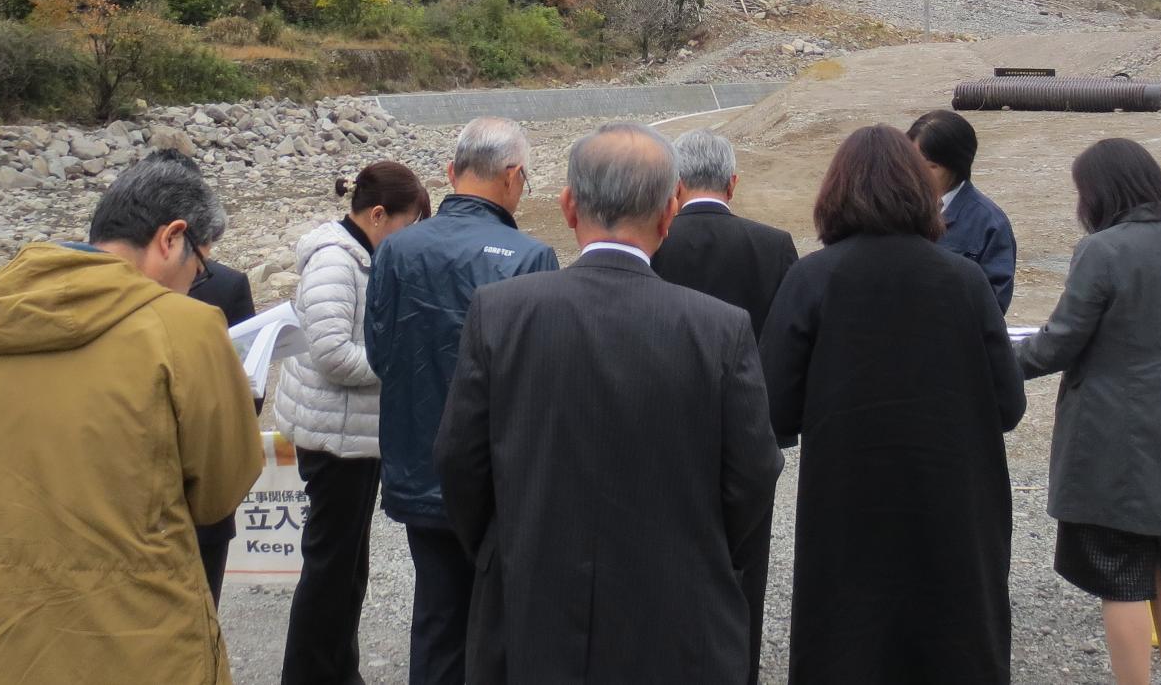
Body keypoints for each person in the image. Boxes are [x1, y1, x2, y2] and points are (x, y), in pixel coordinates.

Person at [0, 149, 262, 685]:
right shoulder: (187, 327)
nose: (196, 280)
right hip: (135, 644)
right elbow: (219, 492)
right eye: (199, 266)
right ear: (172, 237)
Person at [436, 123, 783, 685]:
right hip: (675, 613)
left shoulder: (500, 312)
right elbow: (753, 475)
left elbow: (459, 461)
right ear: (669, 212)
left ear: (569, 206)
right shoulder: (719, 328)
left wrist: (509, 545)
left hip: (533, 605)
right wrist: (704, 553)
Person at [761, 126, 1025, 685]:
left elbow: (775, 409)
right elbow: (1007, 405)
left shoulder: (812, 278)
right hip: (953, 507)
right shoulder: (966, 280)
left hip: (847, 508)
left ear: (835, 191)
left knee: (849, 648)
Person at [1015, 138, 1161, 685]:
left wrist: (996, 361)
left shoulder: (1102, 250)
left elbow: (1059, 343)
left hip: (1114, 431)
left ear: (1100, 191)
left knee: (1119, 576)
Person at [368, 117, 558, 685]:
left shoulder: (397, 250)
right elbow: (536, 384)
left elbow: (380, 354)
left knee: (436, 615)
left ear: (451, 173)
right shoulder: (529, 256)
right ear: (513, 176)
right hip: (496, 477)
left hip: (415, 465)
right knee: (499, 619)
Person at [275, 161, 433, 685]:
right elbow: (333, 355)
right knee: (330, 569)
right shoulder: (334, 262)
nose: (409, 238)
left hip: (351, 433)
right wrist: (400, 364)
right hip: (334, 438)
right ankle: (311, 674)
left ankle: (339, 670)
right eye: (408, 225)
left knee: (347, 568)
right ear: (379, 214)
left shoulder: (361, 255)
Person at [651, 127, 798, 685]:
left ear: (676, 185)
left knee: (665, 559)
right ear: (734, 182)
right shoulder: (774, 244)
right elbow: (786, 349)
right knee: (743, 571)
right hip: (747, 435)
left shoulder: (655, 241)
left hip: (661, 431)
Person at [188, 253, 259, 605]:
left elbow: (248, 392)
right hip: (202, 484)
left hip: (203, 484)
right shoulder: (225, 284)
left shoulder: (226, 284)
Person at [907, 109, 1018, 311]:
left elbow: (994, 303)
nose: (918, 175)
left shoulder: (989, 223)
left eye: (931, 167)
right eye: (913, 164)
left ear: (956, 165)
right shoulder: (897, 210)